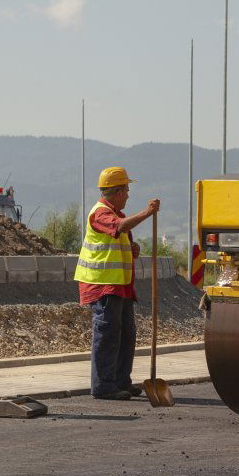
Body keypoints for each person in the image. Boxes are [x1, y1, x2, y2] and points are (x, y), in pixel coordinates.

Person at [74, 167, 160, 400]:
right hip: (102, 285)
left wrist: (130, 250)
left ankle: (121, 380)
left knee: (125, 335)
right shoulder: (100, 213)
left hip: (120, 285)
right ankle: (103, 385)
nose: (128, 195)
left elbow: (117, 239)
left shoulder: (117, 215)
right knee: (108, 335)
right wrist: (147, 213)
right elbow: (118, 227)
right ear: (117, 191)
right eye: (126, 190)